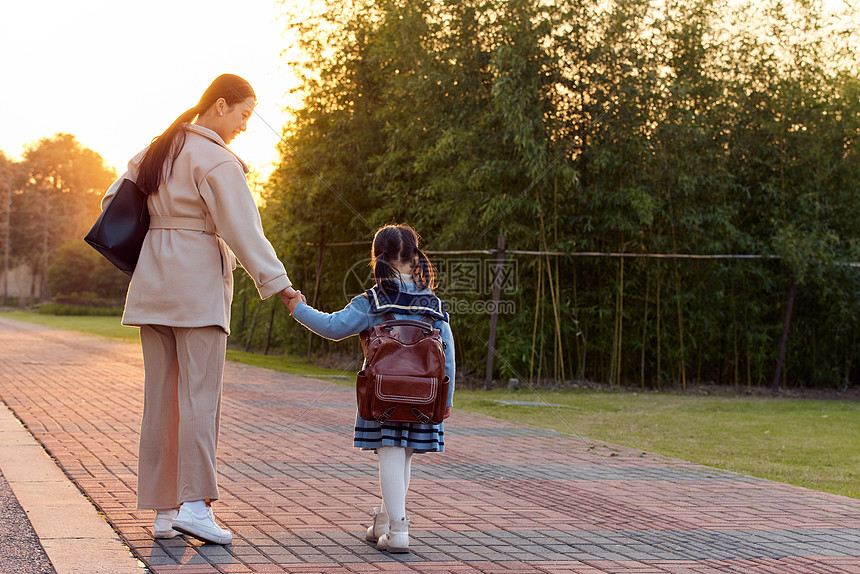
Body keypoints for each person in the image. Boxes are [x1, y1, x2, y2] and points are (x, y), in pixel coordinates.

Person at [98, 74, 302, 545]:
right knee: (199, 400)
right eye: (245, 115)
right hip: (198, 291)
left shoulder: (157, 149)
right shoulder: (216, 159)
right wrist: (281, 286)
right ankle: (195, 506)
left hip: (154, 286)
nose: (246, 127)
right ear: (222, 105)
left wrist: (157, 240)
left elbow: (112, 202)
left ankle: (164, 513)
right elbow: (243, 230)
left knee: (161, 402)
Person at [286, 224, 455, 554]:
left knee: (391, 451)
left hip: (383, 392)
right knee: (403, 455)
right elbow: (447, 354)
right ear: (415, 257)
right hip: (425, 393)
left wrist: (298, 308)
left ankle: (398, 530)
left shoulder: (372, 300)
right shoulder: (433, 304)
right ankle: (383, 520)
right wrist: (446, 397)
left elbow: (333, 327)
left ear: (376, 258)